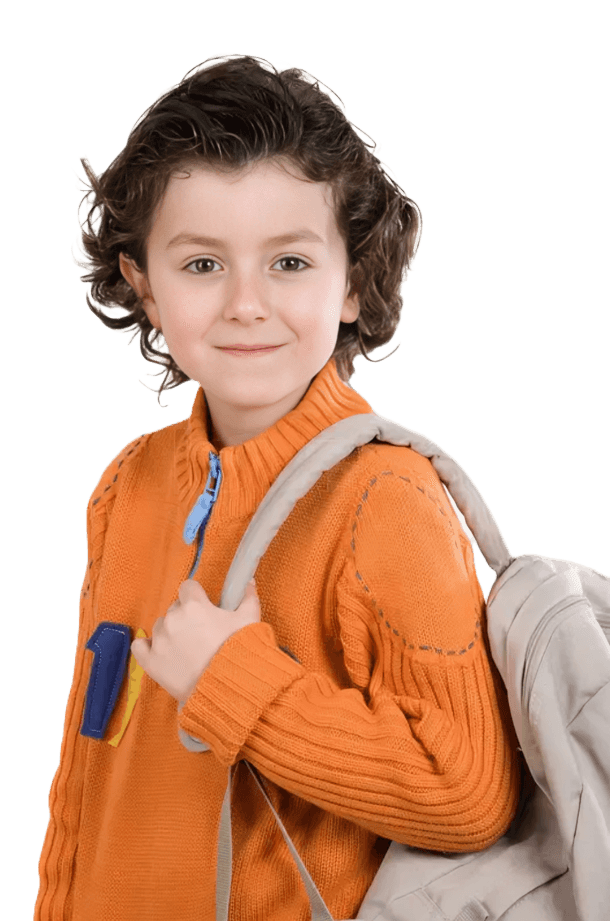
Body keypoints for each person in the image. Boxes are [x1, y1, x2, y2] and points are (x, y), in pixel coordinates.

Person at [34, 53, 522, 921]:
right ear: (145, 285)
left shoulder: (385, 495)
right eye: (202, 265)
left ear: (353, 281)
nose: (246, 304)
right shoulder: (128, 486)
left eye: (289, 263)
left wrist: (233, 682)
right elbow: (88, 767)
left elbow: (468, 791)